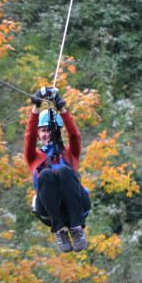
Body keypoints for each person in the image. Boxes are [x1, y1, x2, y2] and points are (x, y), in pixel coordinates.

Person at [24, 86, 91, 253]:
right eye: (43, 131)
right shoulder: (34, 157)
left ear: (59, 132)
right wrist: (36, 107)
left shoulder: (70, 153)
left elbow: (75, 135)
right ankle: (60, 231)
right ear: (39, 134)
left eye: (51, 130)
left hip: (76, 207)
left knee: (64, 171)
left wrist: (61, 108)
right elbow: (29, 136)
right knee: (46, 173)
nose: (47, 134)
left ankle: (76, 229)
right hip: (50, 211)